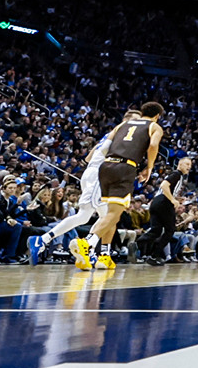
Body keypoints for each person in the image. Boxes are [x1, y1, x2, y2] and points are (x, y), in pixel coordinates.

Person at [81, 101, 165, 272]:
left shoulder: (123, 124)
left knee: (110, 214)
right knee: (114, 213)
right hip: (125, 167)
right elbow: (154, 145)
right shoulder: (155, 127)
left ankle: (104, 256)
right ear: (157, 116)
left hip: (105, 166)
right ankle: (88, 243)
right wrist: (149, 167)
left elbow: (105, 145)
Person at [45, 120, 122, 265]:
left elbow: (87, 158)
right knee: (91, 216)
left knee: (107, 217)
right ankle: (85, 246)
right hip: (99, 174)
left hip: (93, 173)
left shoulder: (108, 136)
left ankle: (96, 252)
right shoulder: (121, 136)